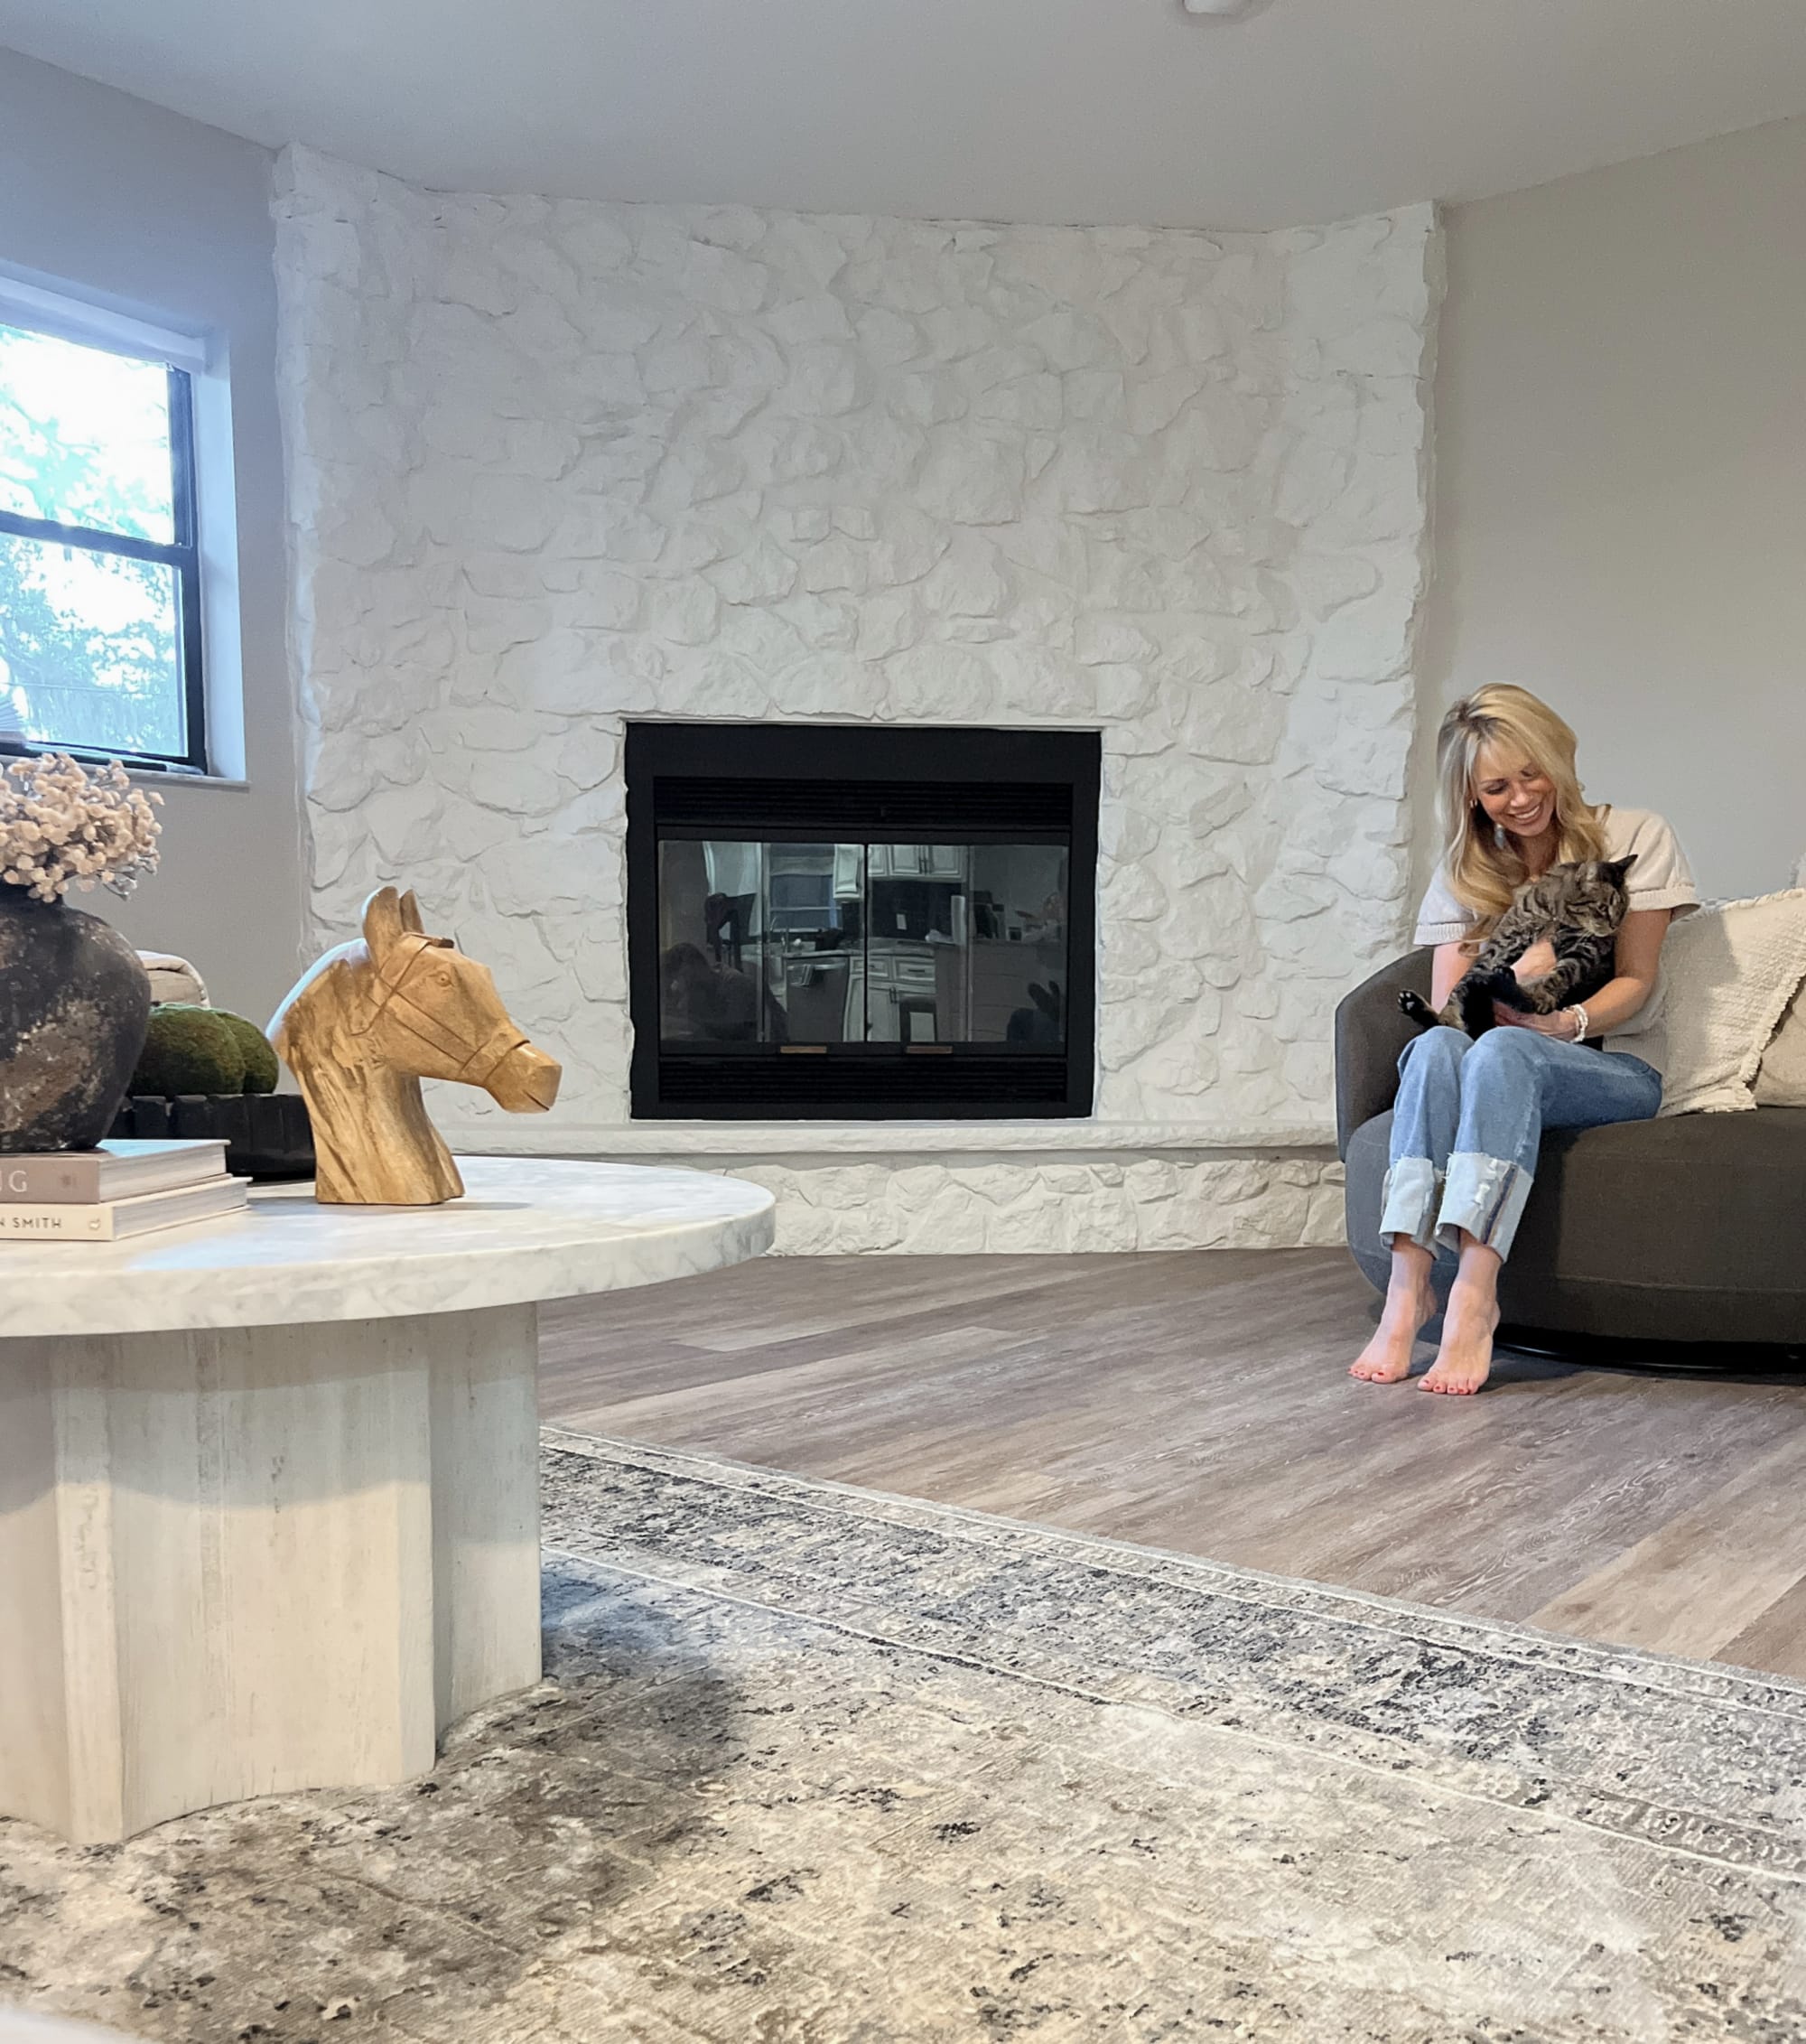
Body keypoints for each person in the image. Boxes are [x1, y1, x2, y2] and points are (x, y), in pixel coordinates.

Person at [1350, 686, 1699, 1395]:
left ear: (1559, 759)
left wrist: (1559, 1022)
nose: (1521, 798)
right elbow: (1453, 1013)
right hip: (1498, 1046)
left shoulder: (1635, 837)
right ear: (1473, 797)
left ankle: (1475, 1295)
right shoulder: (1465, 871)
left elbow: (1636, 979)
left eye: (1532, 774)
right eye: (1497, 787)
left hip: (1612, 1065)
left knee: (1505, 1050)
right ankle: (1409, 1284)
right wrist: (1508, 981)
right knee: (1436, 1047)